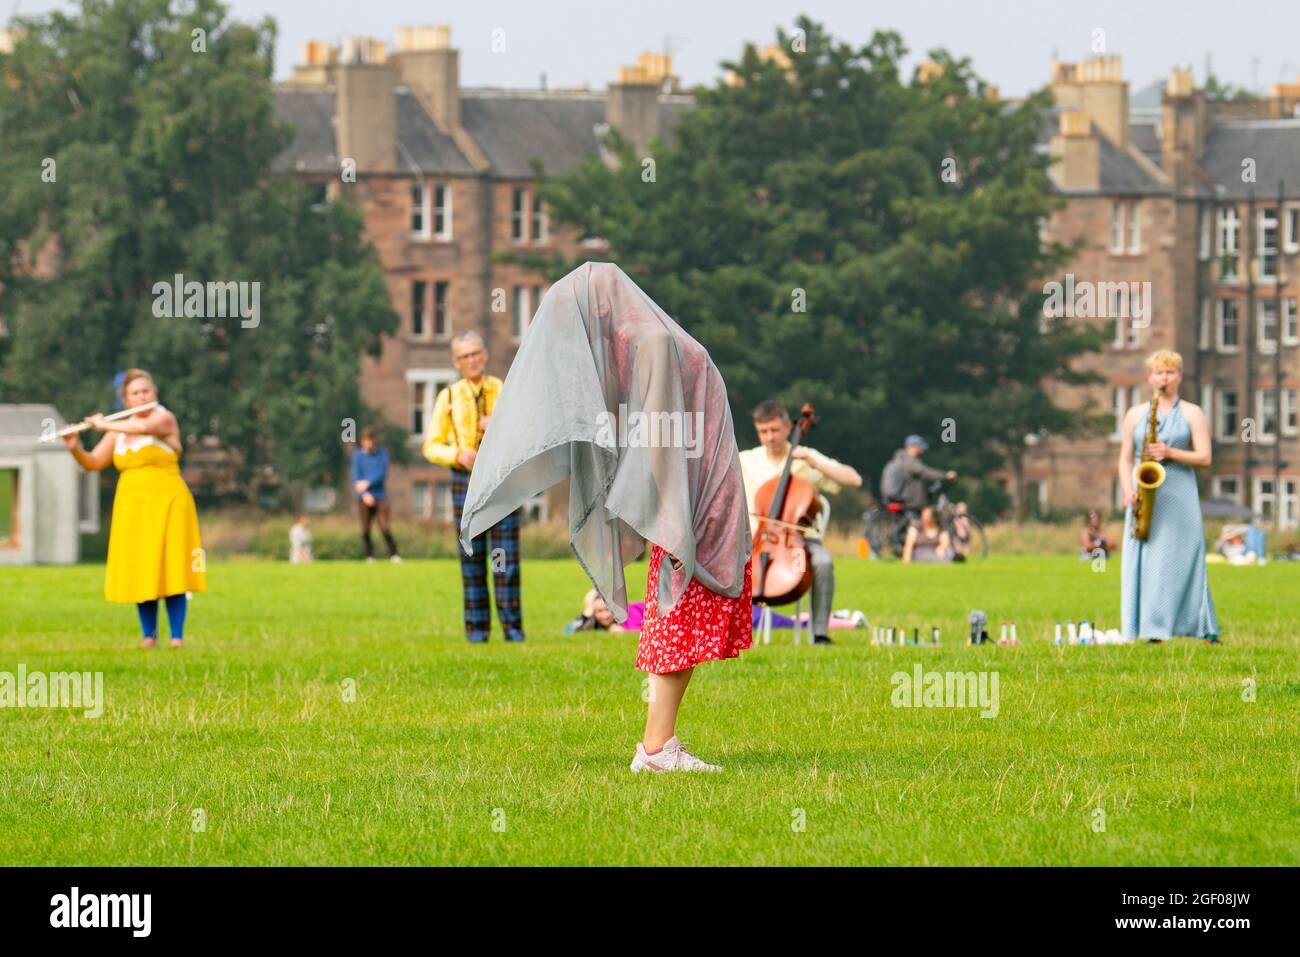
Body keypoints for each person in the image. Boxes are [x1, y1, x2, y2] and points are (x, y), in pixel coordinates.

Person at [458, 262, 751, 772]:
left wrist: (661, 510)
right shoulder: (642, 344)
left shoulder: (649, 343)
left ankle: (661, 745)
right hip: (690, 493)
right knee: (677, 616)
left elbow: (658, 439)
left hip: (696, 490)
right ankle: (658, 749)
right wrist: (663, 513)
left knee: (683, 614)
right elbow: (648, 436)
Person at [62, 369, 206, 648]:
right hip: (134, 505)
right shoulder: (119, 431)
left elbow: (144, 429)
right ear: (126, 400)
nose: (142, 397)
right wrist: (74, 447)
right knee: (143, 566)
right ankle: (148, 636)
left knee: (171, 564)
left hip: (168, 502)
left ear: (155, 393)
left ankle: (177, 636)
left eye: (146, 391)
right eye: (135, 393)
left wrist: (104, 425)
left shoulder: (163, 418)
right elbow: (92, 463)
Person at [423, 330, 524, 643]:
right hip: (464, 480)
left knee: (505, 557)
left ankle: (513, 632)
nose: (472, 360)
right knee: (471, 555)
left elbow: (523, 437)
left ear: (485, 355)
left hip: (500, 479)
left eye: (476, 354)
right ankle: (477, 632)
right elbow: (430, 446)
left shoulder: (503, 390)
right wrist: (457, 454)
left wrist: (500, 426)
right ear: (457, 362)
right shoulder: (448, 397)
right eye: (465, 356)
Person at [740, 400, 862, 644]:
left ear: (788, 427)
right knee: (725, 562)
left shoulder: (805, 457)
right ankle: (735, 630)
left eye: (775, 430)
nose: (770, 437)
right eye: (763, 432)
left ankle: (819, 632)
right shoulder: (746, 460)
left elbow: (854, 480)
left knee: (824, 563)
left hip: (800, 541)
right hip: (755, 539)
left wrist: (814, 462)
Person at [1118, 350, 1218, 643]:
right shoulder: (1135, 415)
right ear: (1150, 378)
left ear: (1179, 377)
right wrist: (1127, 488)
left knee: (1185, 557)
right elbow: (1125, 458)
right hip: (1143, 494)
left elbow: (1205, 457)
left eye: (1170, 372)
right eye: (1159, 372)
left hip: (1179, 492)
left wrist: (1170, 452)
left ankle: (1195, 625)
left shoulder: (1192, 412)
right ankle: (1150, 629)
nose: (1165, 377)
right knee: (1148, 560)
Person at [881, 435, 957, 551]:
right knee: (916, 527)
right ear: (913, 447)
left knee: (911, 525)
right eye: (920, 447)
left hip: (911, 500)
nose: (922, 450)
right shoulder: (910, 461)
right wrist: (944, 476)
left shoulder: (905, 460)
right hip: (912, 501)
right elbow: (925, 472)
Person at [352, 427, 400, 563]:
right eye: (366, 440)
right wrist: (364, 494)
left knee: (385, 527)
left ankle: (394, 554)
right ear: (362, 441)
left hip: (380, 496)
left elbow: (382, 473)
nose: (369, 443)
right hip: (364, 498)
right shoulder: (357, 457)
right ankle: (369, 556)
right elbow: (356, 478)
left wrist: (368, 483)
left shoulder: (382, 454)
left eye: (371, 440)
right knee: (365, 528)